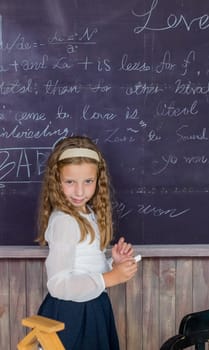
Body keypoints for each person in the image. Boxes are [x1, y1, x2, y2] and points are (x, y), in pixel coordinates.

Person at [36, 135, 138, 350]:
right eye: (70, 182)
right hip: (72, 316)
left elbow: (84, 265)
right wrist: (111, 278)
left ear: (97, 180)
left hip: (92, 307)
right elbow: (59, 285)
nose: (80, 191)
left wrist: (113, 264)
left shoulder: (86, 213)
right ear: (57, 181)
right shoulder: (65, 221)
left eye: (88, 181)